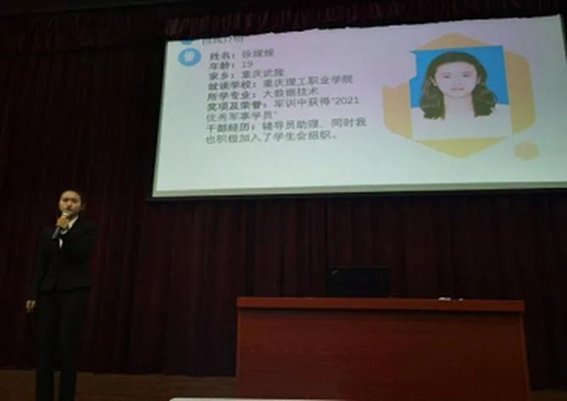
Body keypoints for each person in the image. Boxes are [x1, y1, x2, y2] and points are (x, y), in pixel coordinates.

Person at [26, 190, 98, 401]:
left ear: (81, 206)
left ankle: (66, 397)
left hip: (74, 291)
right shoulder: (48, 231)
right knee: (44, 346)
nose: (69, 204)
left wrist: (66, 232)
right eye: (65, 200)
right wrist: (33, 293)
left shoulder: (87, 229)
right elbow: (41, 264)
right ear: (59, 204)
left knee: (68, 346)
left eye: (74, 201)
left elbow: (81, 255)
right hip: (49, 292)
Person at [411, 51, 512, 140]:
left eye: (465, 75)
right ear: (433, 80)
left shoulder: (505, 114)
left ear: (479, 79)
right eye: (447, 76)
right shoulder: (415, 118)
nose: (457, 82)